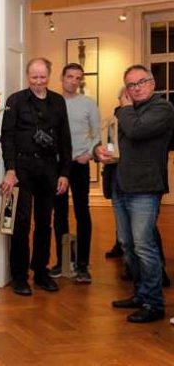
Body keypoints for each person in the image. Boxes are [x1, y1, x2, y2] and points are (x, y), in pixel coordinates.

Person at [95, 65, 174, 323]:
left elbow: (138, 130)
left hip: (144, 187)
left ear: (152, 84)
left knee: (144, 245)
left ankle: (154, 303)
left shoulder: (162, 109)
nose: (136, 88)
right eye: (131, 84)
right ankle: (140, 294)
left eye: (141, 82)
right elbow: (109, 140)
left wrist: (125, 108)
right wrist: (100, 151)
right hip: (120, 185)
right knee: (128, 245)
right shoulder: (126, 112)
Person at [0, 57, 71, 296]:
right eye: (34, 77)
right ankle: (20, 276)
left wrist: (64, 173)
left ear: (48, 76)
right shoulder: (15, 101)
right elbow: (6, 138)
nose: (38, 82)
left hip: (49, 170)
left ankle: (41, 271)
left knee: (44, 222)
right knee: (20, 222)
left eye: (42, 77)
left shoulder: (58, 102)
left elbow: (65, 140)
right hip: (21, 169)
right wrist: (10, 169)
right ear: (27, 76)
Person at [50, 64, 100, 283]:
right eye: (69, 77)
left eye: (78, 78)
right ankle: (63, 262)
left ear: (81, 81)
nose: (73, 81)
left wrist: (89, 154)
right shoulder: (52, 102)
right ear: (62, 78)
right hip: (58, 166)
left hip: (79, 164)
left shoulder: (88, 104)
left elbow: (98, 134)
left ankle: (82, 265)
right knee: (59, 214)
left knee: (82, 212)